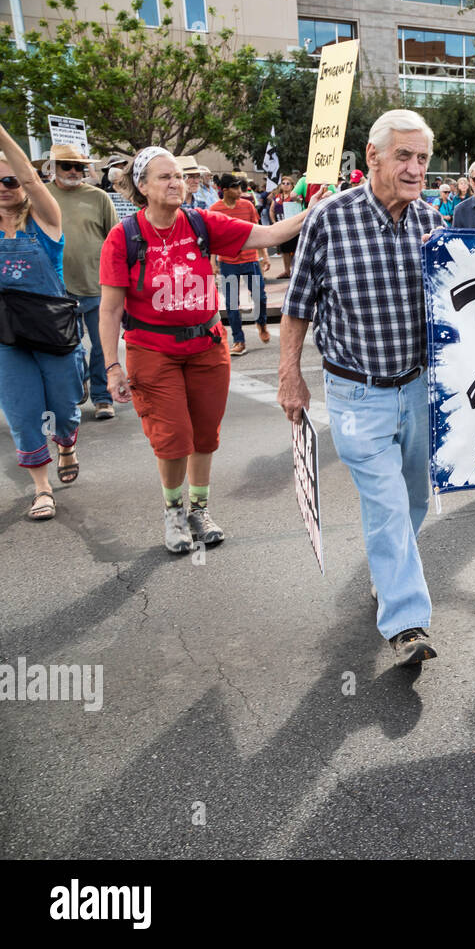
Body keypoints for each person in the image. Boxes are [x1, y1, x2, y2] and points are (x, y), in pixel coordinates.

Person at [278, 109, 442, 666]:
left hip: (418, 389)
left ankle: (388, 571)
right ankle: (407, 621)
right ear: (372, 157)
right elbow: (298, 306)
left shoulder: (431, 222)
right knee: (389, 505)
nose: (416, 168)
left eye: (422, 158)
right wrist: (290, 374)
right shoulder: (327, 219)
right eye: (404, 156)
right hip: (355, 394)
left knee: (415, 499)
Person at [99, 146, 318, 553]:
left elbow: (268, 235)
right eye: (164, 177)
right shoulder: (124, 237)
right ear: (142, 187)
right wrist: (112, 366)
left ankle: (199, 509)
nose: (176, 183)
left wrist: (314, 210)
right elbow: (110, 309)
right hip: (152, 351)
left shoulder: (200, 223)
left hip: (206, 346)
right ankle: (174, 513)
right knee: (173, 436)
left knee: (204, 435)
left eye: (178, 176)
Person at [0, 120, 81, 521]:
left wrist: (0, 135)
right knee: (22, 410)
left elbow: (32, 180)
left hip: (53, 331)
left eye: (10, 180)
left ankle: (66, 441)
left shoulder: (46, 220)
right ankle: (42, 488)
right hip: (6, 337)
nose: (4, 186)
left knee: (63, 407)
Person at [43, 143, 120, 421]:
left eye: (79, 166)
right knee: (70, 350)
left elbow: (115, 240)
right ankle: (77, 389)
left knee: (102, 346)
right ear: (52, 167)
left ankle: (102, 397)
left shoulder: (99, 197)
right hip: (57, 291)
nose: (74, 171)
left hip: (99, 287)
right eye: (66, 165)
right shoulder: (40, 197)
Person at [209, 173, 271, 354]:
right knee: (232, 303)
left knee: (260, 297)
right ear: (225, 190)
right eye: (235, 187)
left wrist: (265, 256)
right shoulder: (215, 210)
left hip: (250, 259)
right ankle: (239, 340)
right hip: (228, 262)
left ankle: (261, 323)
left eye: (240, 187)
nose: (239, 191)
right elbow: (214, 240)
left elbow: (257, 232)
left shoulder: (248, 206)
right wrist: (213, 263)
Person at [271, 175, 300, 278]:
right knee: (285, 251)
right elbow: (272, 210)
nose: (285, 185)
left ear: (292, 186)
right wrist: (274, 221)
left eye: (288, 184)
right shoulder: (278, 197)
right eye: (283, 183)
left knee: (296, 249)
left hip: (294, 226)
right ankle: (287, 271)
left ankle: (295, 270)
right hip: (282, 226)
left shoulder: (295, 197)